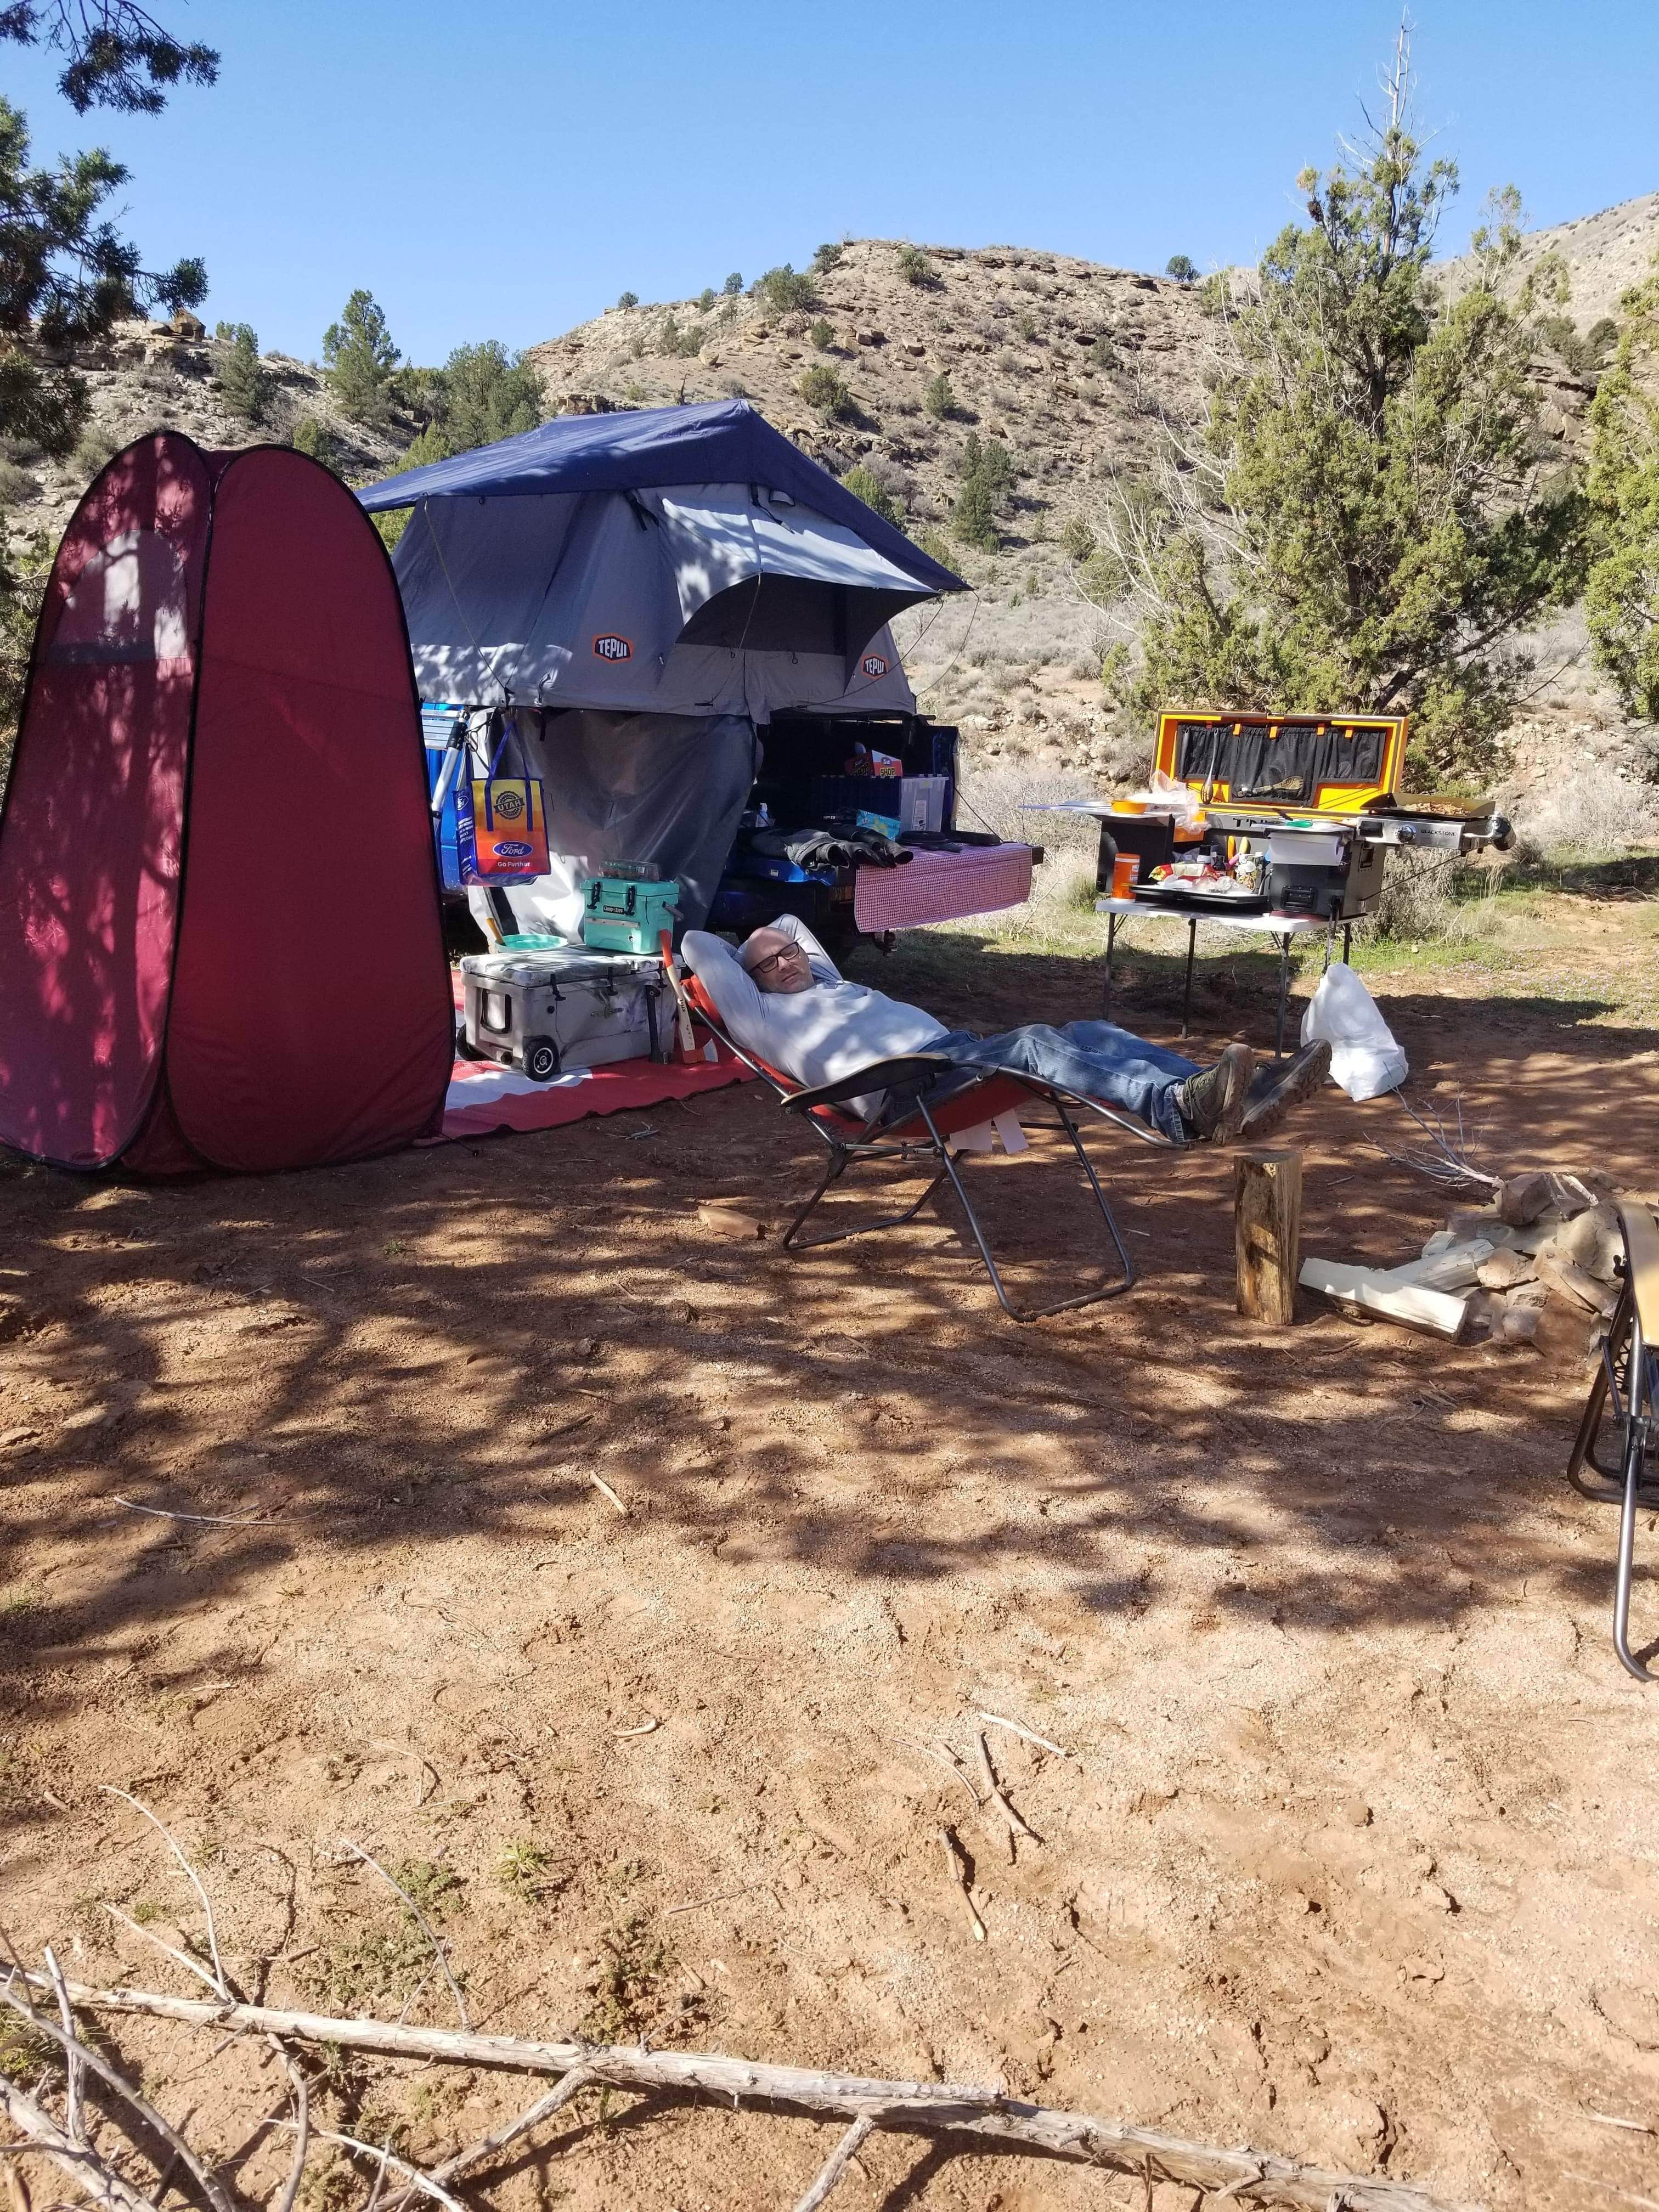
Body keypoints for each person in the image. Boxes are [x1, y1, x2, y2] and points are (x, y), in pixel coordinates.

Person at [680, 912, 1331, 1145]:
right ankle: (1176, 1112)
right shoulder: (761, 1014)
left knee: (1092, 1028)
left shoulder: (828, 980)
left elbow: (793, 922)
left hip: (948, 1059)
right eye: (767, 962)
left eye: (789, 953)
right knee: (1036, 1044)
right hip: (903, 1089)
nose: (786, 960)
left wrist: (775, 941)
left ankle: (1227, 1096)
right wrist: (744, 954)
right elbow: (695, 943)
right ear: (750, 979)